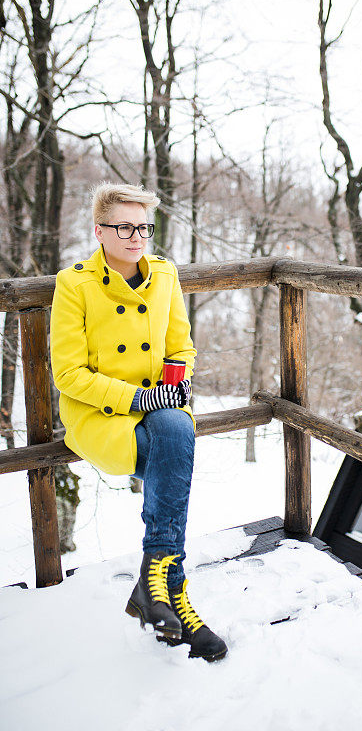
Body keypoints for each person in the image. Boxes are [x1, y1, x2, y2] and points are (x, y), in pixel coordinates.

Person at [50, 182, 227, 662]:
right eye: (125, 227)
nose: (136, 237)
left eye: (144, 227)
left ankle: (157, 584)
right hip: (99, 413)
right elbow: (68, 375)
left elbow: (181, 347)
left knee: (174, 432)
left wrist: (176, 379)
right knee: (176, 451)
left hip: (163, 405)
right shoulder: (75, 284)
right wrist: (143, 397)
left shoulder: (165, 276)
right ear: (100, 231)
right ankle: (172, 592)